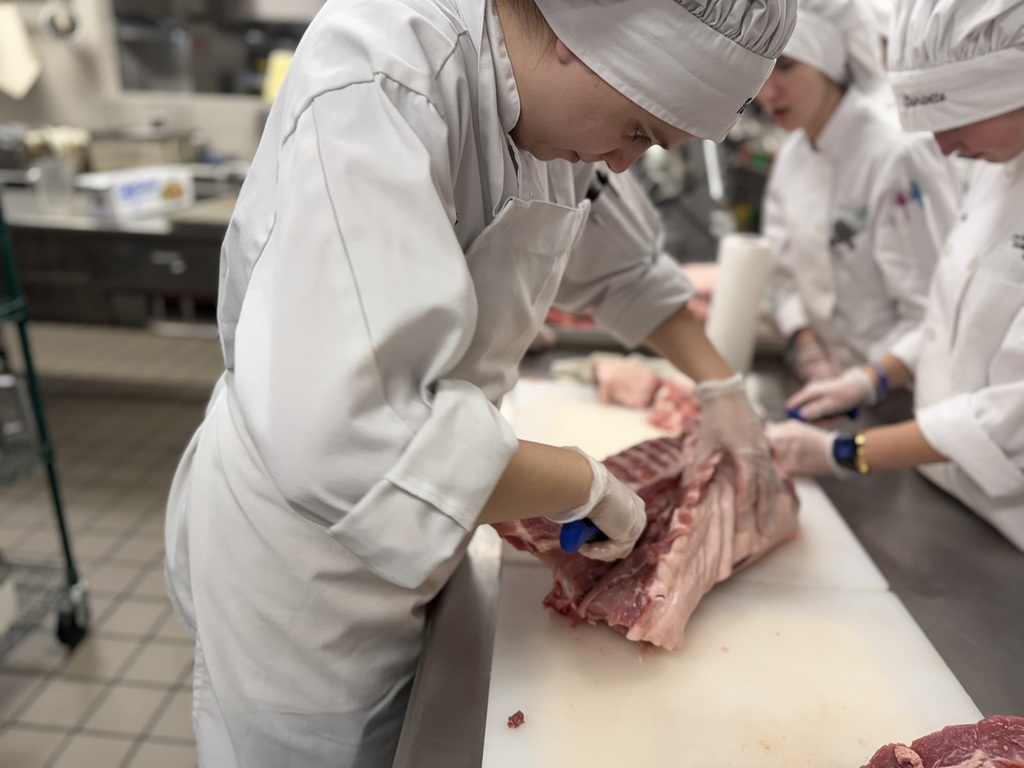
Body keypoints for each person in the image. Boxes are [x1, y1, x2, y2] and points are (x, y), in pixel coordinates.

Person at [163, 0, 796, 765]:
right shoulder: (387, 72)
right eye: (636, 129)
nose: (626, 161)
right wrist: (580, 482)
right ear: (578, 34)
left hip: (432, 521)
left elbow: (623, 265)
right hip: (301, 564)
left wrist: (721, 388)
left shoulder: (564, 108)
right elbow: (348, 437)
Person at [767, 0, 1024, 553]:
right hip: (945, 486)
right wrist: (872, 378)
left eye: (959, 114)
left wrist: (846, 451)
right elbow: (945, 318)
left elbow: (1010, 413)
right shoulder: (998, 168)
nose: (945, 147)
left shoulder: (904, 154)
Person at [757, 0, 959, 394]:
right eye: (761, 70)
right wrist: (807, 343)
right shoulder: (793, 155)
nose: (768, 91)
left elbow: (936, 309)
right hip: (838, 385)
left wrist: (869, 380)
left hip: (912, 391)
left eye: (787, 66)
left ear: (830, 63)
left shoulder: (896, 154)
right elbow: (784, 274)